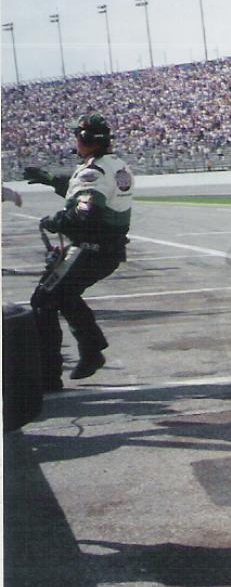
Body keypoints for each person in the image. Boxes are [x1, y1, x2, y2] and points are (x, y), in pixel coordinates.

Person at [23, 113, 134, 388]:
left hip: (90, 249)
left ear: (85, 139)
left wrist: (56, 221)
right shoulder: (117, 165)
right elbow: (86, 190)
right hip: (107, 250)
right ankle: (92, 349)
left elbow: (86, 209)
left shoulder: (93, 171)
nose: (76, 141)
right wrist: (51, 180)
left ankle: (49, 374)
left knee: (43, 299)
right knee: (65, 295)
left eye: (78, 136)